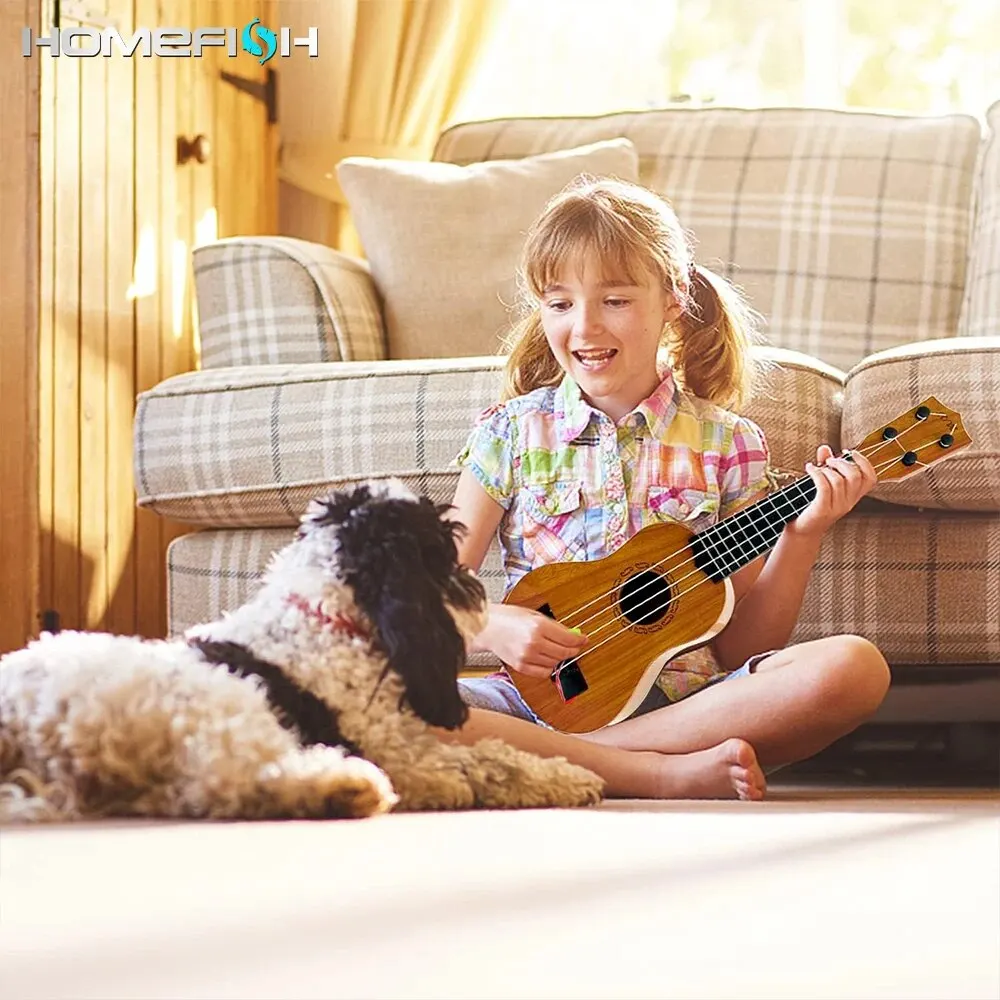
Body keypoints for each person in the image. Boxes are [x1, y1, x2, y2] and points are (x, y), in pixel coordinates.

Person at [436, 177, 890, 800]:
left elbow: (740, 648)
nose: (585, 326)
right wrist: (489, 626)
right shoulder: (509, 433)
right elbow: (427, 595)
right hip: (533, 706)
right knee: (366, 702)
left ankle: (570, 764)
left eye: (615, 300)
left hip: (688, 705)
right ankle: (651, 772)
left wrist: (804, 535)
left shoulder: (731, 445)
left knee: (852, 669)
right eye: (560, 303)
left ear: (674, 296)